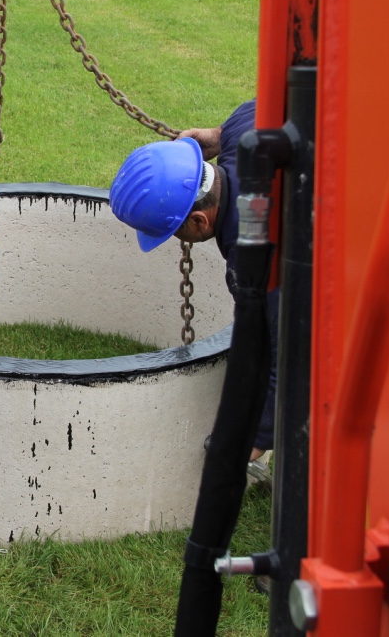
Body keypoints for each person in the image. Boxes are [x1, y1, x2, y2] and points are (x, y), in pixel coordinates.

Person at [109, 101, 277, 462]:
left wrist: (257, 437)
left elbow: (286, 351)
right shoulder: (242, 128)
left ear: (199, 222)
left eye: (173, 232)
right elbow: (262, 105)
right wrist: (216, 136)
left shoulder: (256, 258)